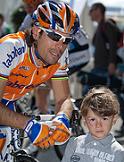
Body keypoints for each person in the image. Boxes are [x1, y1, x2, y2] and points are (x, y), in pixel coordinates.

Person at [0, 1, 80, 161]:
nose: (60, 46)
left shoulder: (59, 55)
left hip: (8, 102)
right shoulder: (11, 49)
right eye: (55, 36)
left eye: (67, 40)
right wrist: (28, 124)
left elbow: (63, 99)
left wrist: (62, 118)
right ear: (36, 32)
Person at [62, 86, 124, 162]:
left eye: (104, 119)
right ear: (84, 120)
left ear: (114, 119)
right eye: (93, 119)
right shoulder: (74, 144)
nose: (98, 125)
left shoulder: (118, 152)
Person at [89, 3, 118, 77]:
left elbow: (113, 45)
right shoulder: (100, 26)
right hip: (99, 67)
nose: (89, 13)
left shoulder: (107, 25)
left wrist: (112, 63)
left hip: (105, 68)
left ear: (98, 10)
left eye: (91, 10)